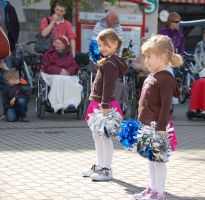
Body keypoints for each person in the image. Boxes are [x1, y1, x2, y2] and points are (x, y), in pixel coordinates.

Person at [133, 34, 181, 200]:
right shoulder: (153, 75)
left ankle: (159, 193)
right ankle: (152, 188)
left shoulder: (166, 79)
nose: (146, 61)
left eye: (149, 57)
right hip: (148, 125)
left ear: (161, 57)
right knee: (151, 158)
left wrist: (161, 128)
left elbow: (166, 106)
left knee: (159, 160)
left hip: (158, 127)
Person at [82, 29, 127, 181]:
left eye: (106, 45)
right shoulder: (107, 60)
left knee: (104, 137)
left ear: (115, 44)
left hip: (104, 104)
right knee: (97, 135)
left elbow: (108, 85)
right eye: (100, 45)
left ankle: (106, 169)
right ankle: (100, 165)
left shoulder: (109, 63)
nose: (102, 48)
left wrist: (105, 104)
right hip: (99, 102)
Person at [41, 36, 82, 113]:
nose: (56, 44)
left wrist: (68, 72)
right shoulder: (48, 54)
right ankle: (58, 103)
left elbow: (74, 66)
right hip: (53, 75)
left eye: (59, 43)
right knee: (58, 79)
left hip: (67, 75)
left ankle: (71, 103)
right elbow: (47, 67)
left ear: (64, 46)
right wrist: (59, 71)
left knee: (70, 81)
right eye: (55, 42)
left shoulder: (69, 55)